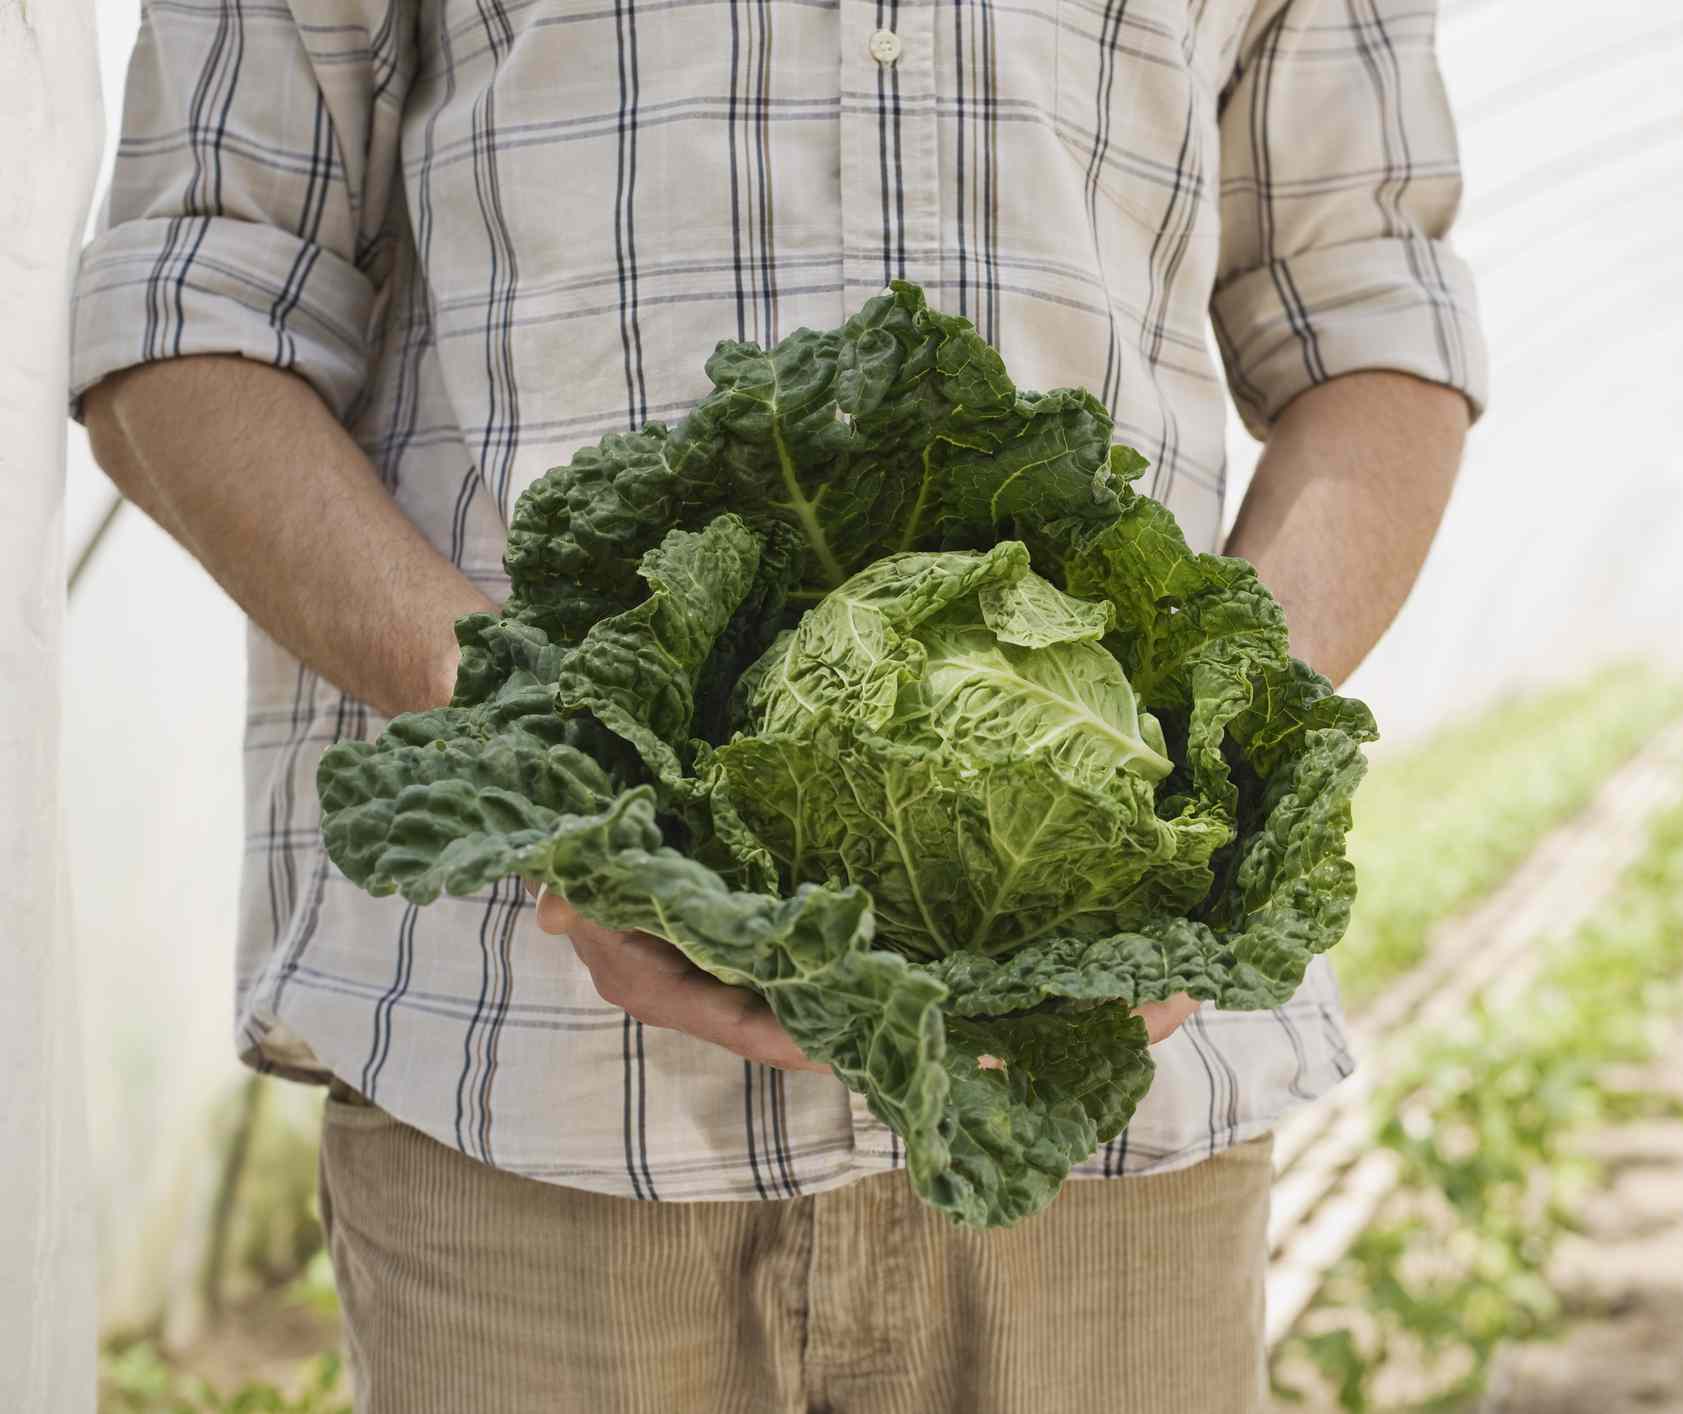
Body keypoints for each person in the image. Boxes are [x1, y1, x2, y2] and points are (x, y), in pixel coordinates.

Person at [75, 0, 1483, 1408]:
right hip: (532, 1079)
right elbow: (188, 308)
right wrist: (571, 763)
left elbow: (1369, 323)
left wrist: (1190, 791)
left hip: (1101, 1121)